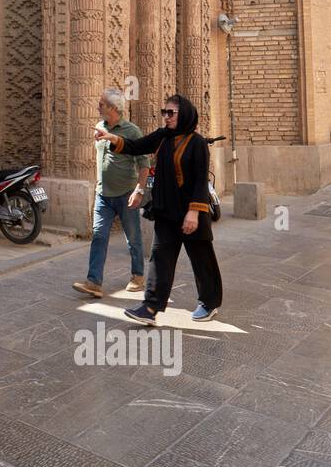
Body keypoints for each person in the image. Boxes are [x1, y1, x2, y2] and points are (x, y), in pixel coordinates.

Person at [95, 94, 222, 324]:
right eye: (164, 112)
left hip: (191, 213)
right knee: (160, 259)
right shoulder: (163, 136)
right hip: (166, 212)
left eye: (171, 113)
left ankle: (209, 302)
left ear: (183, 114)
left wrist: (194, 212)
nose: (166, 117)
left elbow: (200, 180)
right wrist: (112, 138)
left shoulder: (197, 143)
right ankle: (150, 308)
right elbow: (136, 146)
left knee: (201, 259)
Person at [73, 88, 149, 298]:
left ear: (114, 108)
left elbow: (144, 164)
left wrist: (139, 190)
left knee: (133, 238)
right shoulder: (99, 126)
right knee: (99, 235)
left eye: (102, 104)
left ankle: (138, 276)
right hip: (103, 194)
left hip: (126, 194)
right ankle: (94, 282)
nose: (98, 107)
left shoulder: (132, 132)